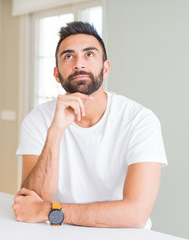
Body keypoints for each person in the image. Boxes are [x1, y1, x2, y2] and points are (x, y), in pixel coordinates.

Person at [12, 21, 167, 229]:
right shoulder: (37, 120)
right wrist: (55, 132)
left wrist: (49, 211)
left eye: (89, 54)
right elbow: (29, 203)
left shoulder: (140, 121)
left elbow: (135, 214)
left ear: (106, 69)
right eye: (69, 56)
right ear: (57, 74)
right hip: (60, 232)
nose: (79, 64)